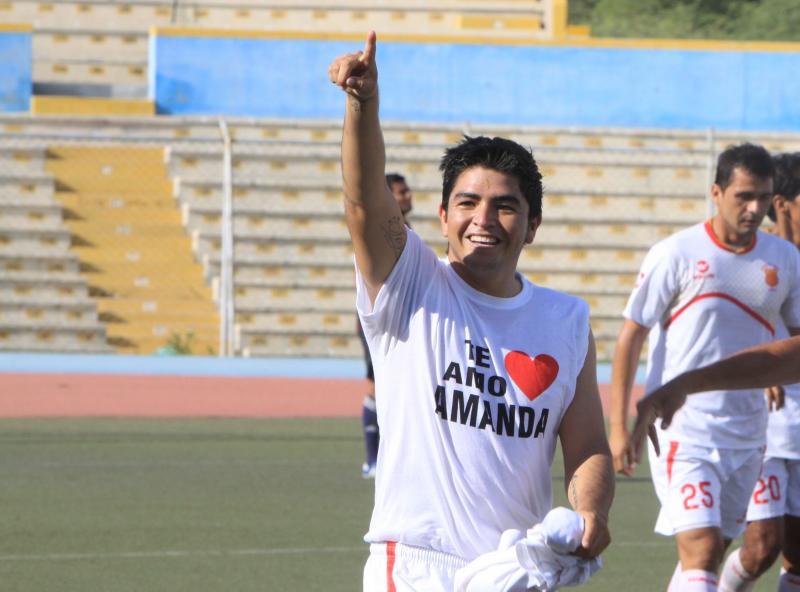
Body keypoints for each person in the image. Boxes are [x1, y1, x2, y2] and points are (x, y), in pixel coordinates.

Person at [328, 31, 613, 591]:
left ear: (531, 226)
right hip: (413, 564)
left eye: (506, 206)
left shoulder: (567, 321)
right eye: (468, 202)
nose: (484, 217)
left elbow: (586, 447)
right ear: (441, 215)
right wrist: (363, 105)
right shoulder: (410, 282)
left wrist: (592, 514)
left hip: (515, 569)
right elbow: (365, 198)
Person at [608, 142, 800, 592]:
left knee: (715, 550)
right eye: (743, 196)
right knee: (701, 546)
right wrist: (619, 424)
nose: (754, 209)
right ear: (716, 192)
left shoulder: (785, 259)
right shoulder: (676, 253)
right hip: (683, 427)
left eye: (762, 197)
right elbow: (631, 335)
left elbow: (793, 339)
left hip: (751, 429)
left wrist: (771, 369)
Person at [715, 153, 800, 592]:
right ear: (783, 204)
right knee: (763, 545)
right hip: (766, 425)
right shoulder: (756, 258)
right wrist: (765, 364)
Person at [359, 172, 413, 478]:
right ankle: (371, 460)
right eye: (401, 191)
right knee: (376, 386)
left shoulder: (407, 229)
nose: (407, 196)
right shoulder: (384, 230)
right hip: (383, 316)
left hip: (403, 314)